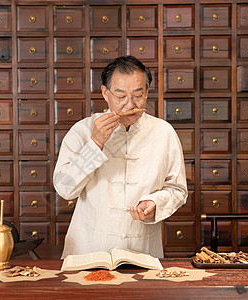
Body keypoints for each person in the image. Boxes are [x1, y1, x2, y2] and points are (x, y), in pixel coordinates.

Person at [53, 56, 188, 259]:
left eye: (138, 95)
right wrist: (95, 143)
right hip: (88, 250)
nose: (129, 104)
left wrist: (155, 202)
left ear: (147, 93)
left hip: (143, 251)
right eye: (120, 96)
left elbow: (178, 189)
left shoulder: (163, 132)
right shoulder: (82, 130)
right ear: (105, 94)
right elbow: (65, 189)